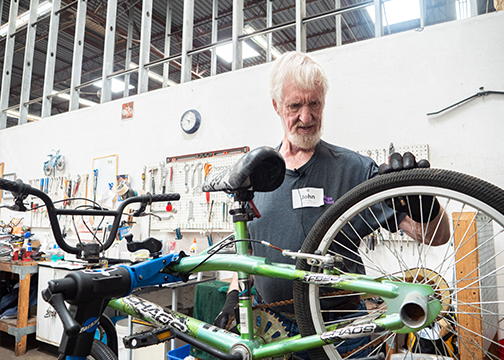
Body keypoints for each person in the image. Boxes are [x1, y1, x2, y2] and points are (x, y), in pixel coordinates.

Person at [214, 51, 450, 358]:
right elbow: (248, 256)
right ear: (276, 106)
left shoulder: (353, 170)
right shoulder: (252, 178)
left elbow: (434, 236)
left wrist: (425, 206)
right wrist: (234, 295)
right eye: (295, 106)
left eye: (314, 104)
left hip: (341, 330)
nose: (307, 117)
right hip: (271, 330)